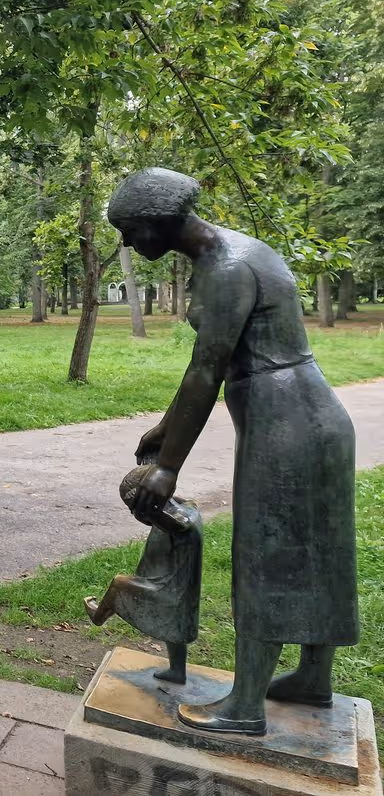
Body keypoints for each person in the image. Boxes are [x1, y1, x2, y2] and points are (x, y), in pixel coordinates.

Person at [107, 168, 358, 736]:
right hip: (309, 416)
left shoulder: (226, 266)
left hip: (285, 422)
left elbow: (208, 367)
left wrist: (168, 466)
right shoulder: (234, 253)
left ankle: (245, 705)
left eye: (130, 230)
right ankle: (313, 679)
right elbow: (214, 360)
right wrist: (166, 428)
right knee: (317, 550)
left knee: (264, 557)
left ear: (160, 223)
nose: (126, 242)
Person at [85, 462, 202, 684]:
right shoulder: (187, 507)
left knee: (119, 583)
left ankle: (98, 616)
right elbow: (170, 503)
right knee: (173, 629)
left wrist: (146, 502)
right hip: (180, 591)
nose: (134, 513)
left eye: (134, 507)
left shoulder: (178, 523)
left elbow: (169, 519)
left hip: (167, 590)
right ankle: (178, 671)